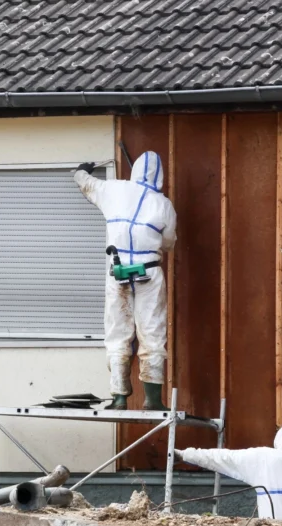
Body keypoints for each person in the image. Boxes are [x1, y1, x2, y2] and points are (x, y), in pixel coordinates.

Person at [74, 152, 177, 410]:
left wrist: (83, 168)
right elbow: (169, 242)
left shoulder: (114, 190)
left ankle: (119, 397)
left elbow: (83, 181)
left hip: (117, 273)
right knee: (152, 335)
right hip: (149, 272)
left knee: (117, 334)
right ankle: (152, 400)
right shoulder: (163, 204)